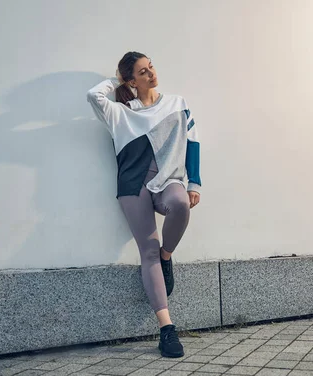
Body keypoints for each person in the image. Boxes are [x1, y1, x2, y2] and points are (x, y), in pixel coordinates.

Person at [86, 51, 202, 358]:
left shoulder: (177, 103)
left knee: (180, 206)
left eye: (151, 67)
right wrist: (117, 81)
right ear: (131, 80)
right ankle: (167, 329)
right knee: (146, 251)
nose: (151, 74)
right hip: (133, 186)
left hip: (168, 179)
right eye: (142, 71)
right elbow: (92, 95)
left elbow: (192, 141)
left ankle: (167, 256)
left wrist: (194, 183)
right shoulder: (121, 113)